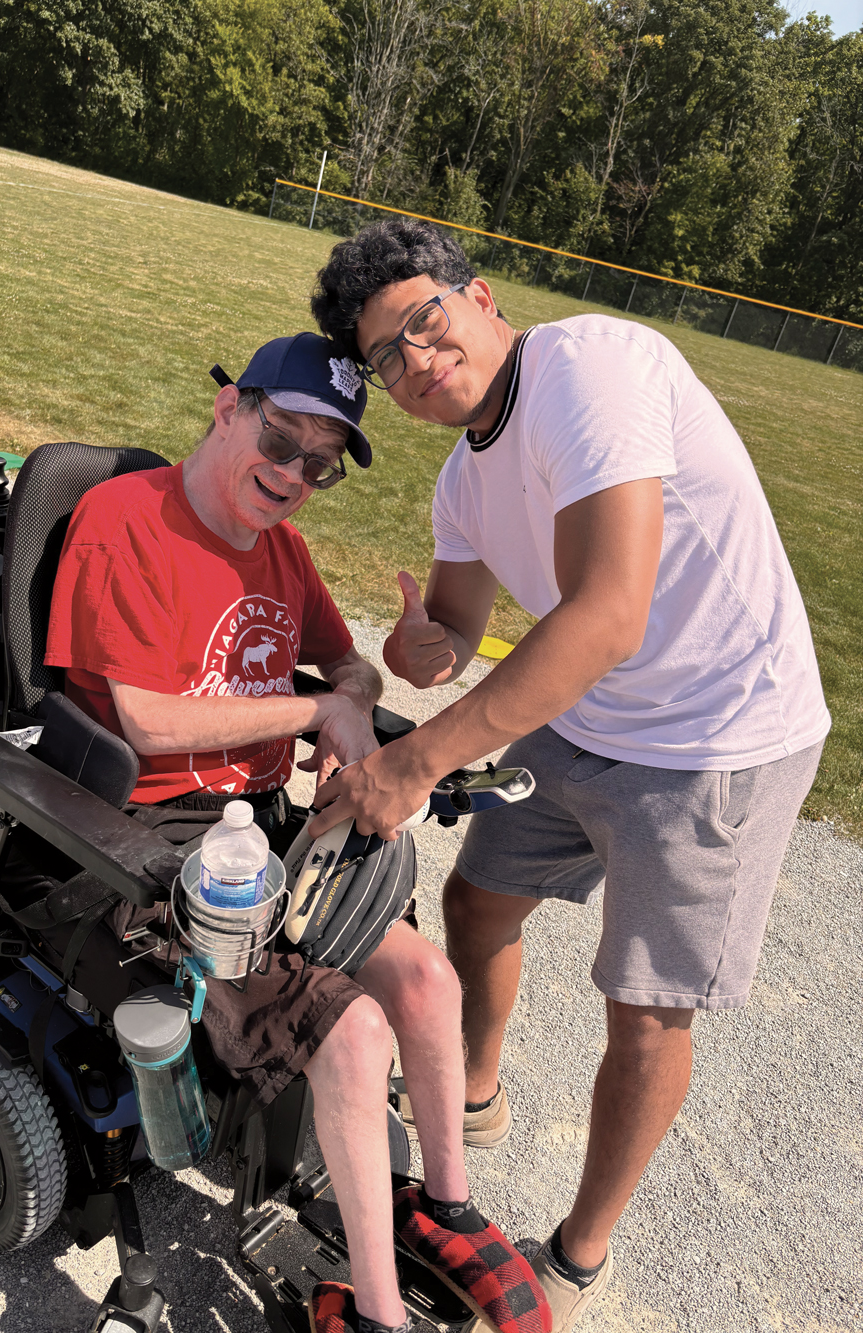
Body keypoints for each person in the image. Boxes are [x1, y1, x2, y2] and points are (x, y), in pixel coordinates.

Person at [308, 222, 830, 1330]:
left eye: (424, 322)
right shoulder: (463, 478)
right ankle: (476, 1089)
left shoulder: (591, 369)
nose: (416, 359)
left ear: (481, 297)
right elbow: (456, 628)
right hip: (589, 715)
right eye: (386, 356)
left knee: (645, 1010)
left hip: (717, 735)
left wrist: (417, 758)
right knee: (478, 897)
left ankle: (579, 1254)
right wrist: (423, 646)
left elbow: (606, 615)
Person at [42, 332, 551, 1333]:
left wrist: (353, 692)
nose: (293, 476)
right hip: (142, 847)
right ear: (229, 406)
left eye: (321, 466)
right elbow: (144, 719)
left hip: (267, 835)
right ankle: (372, 1314)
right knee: (355, 1032)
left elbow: (348, 662)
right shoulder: (125, 521)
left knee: (428, 981)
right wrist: (317, 710)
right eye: (281, 441)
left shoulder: (279, 550)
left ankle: (442, 1208)